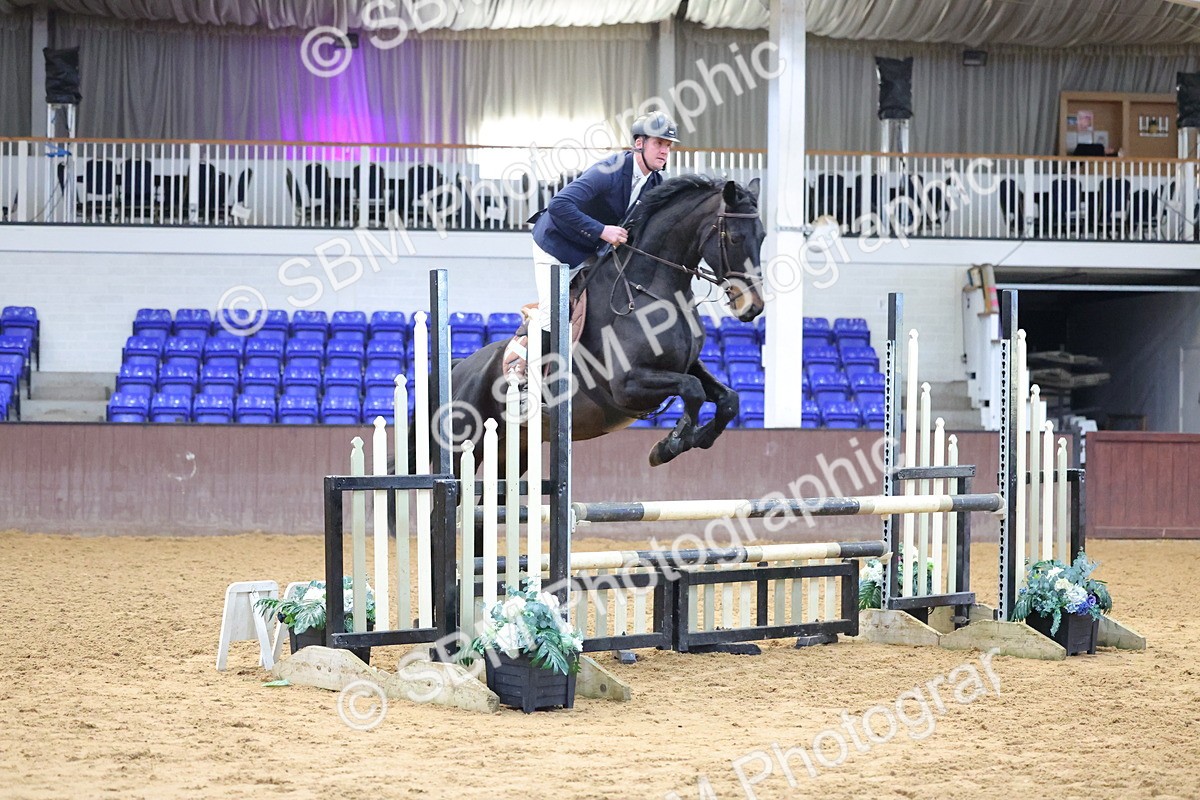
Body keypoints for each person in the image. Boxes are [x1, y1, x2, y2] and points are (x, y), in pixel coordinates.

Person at [528, 111, 680, 344]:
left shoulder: (655, 183)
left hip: (592, 251)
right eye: (659, 143)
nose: (664, 151)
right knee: (554, 317)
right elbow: (559, 205)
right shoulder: (609, 170)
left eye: (668, 146)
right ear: (639, 143)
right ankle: (537, 377)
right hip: (557, 245)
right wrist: (602, 230)